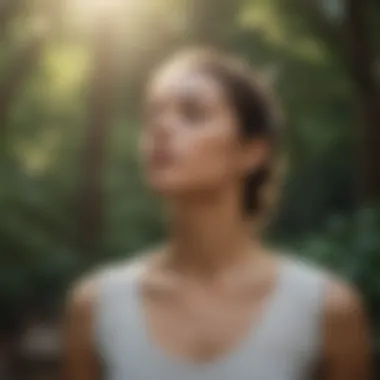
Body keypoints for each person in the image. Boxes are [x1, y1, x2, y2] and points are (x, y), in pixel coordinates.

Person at [63, 48, 372, 380]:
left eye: (192, 114)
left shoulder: (327, 310)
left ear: (252, 152)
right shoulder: (95, 306)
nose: (161, 126)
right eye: (152, 114)